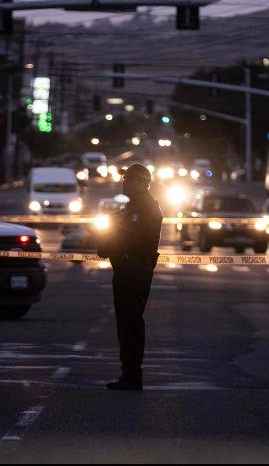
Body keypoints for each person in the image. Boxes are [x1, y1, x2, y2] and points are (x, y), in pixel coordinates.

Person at [96, 164, 162, 390]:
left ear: (142, 183)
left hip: (134, 271)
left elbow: (129, 239)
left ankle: (132, 376)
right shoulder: (134, 207)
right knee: (126, 323)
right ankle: (129, 373)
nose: (124, 182)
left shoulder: (144, 208)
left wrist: (108, 245)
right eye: (124, 178)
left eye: (129, 179)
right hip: (128, 270)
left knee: (130, 323)